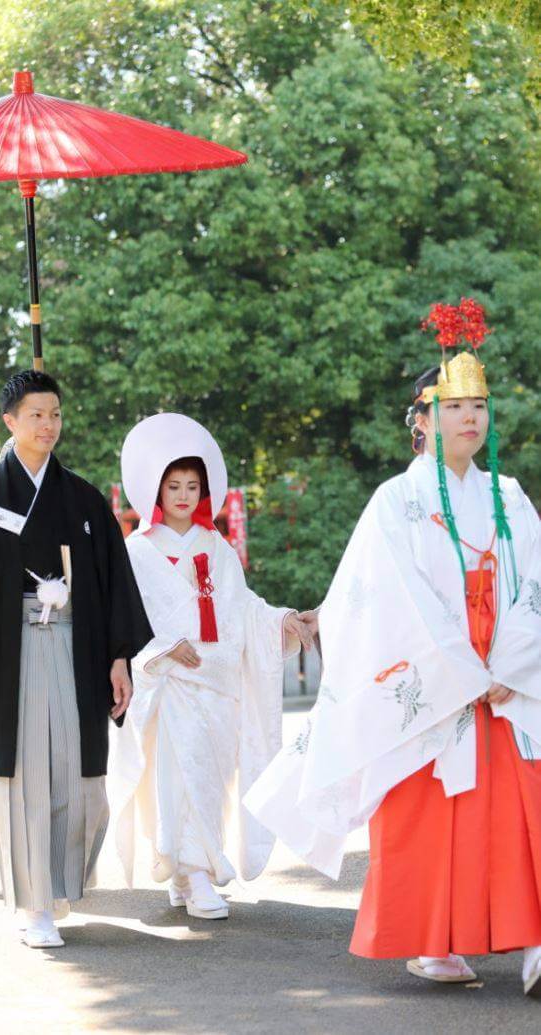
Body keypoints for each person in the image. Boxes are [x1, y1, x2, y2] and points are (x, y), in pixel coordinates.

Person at [245, 300, 541, 995]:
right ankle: (436, 941)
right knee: (428, 811)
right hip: (435, 677)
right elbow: (388, 599)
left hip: (508, 669)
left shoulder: (512, 496)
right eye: (454, 405)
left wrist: (513, 664)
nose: (471, 417)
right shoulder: (393, 502)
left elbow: (532, 584)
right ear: (423, 419)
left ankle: (532, 940)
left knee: (523, 802)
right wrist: (464, 671)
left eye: (479, 405)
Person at [0, 369, 153, 948]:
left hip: (75, 648)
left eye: (55, 414)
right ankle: (33, 904)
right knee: (22, 774)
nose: (48, 426)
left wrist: (119, 657)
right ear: (10, 421)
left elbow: (111, 586)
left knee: (76, 770)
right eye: (35, 415)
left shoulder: (85, 499)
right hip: (7, 654)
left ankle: (61, 882)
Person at [110, 413, 318, 919]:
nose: (183, 495)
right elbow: (126, 617)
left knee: (210, 779)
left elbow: (243, 609)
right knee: (176, 778)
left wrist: (285, 621)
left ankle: (186, 868)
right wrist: (160, 649)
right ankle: (198, 873)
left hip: (217, 683)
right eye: (173, 485)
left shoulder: (217, 548)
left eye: (192, 486)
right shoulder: (136, 552)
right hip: (169, 684)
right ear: (156, 491)